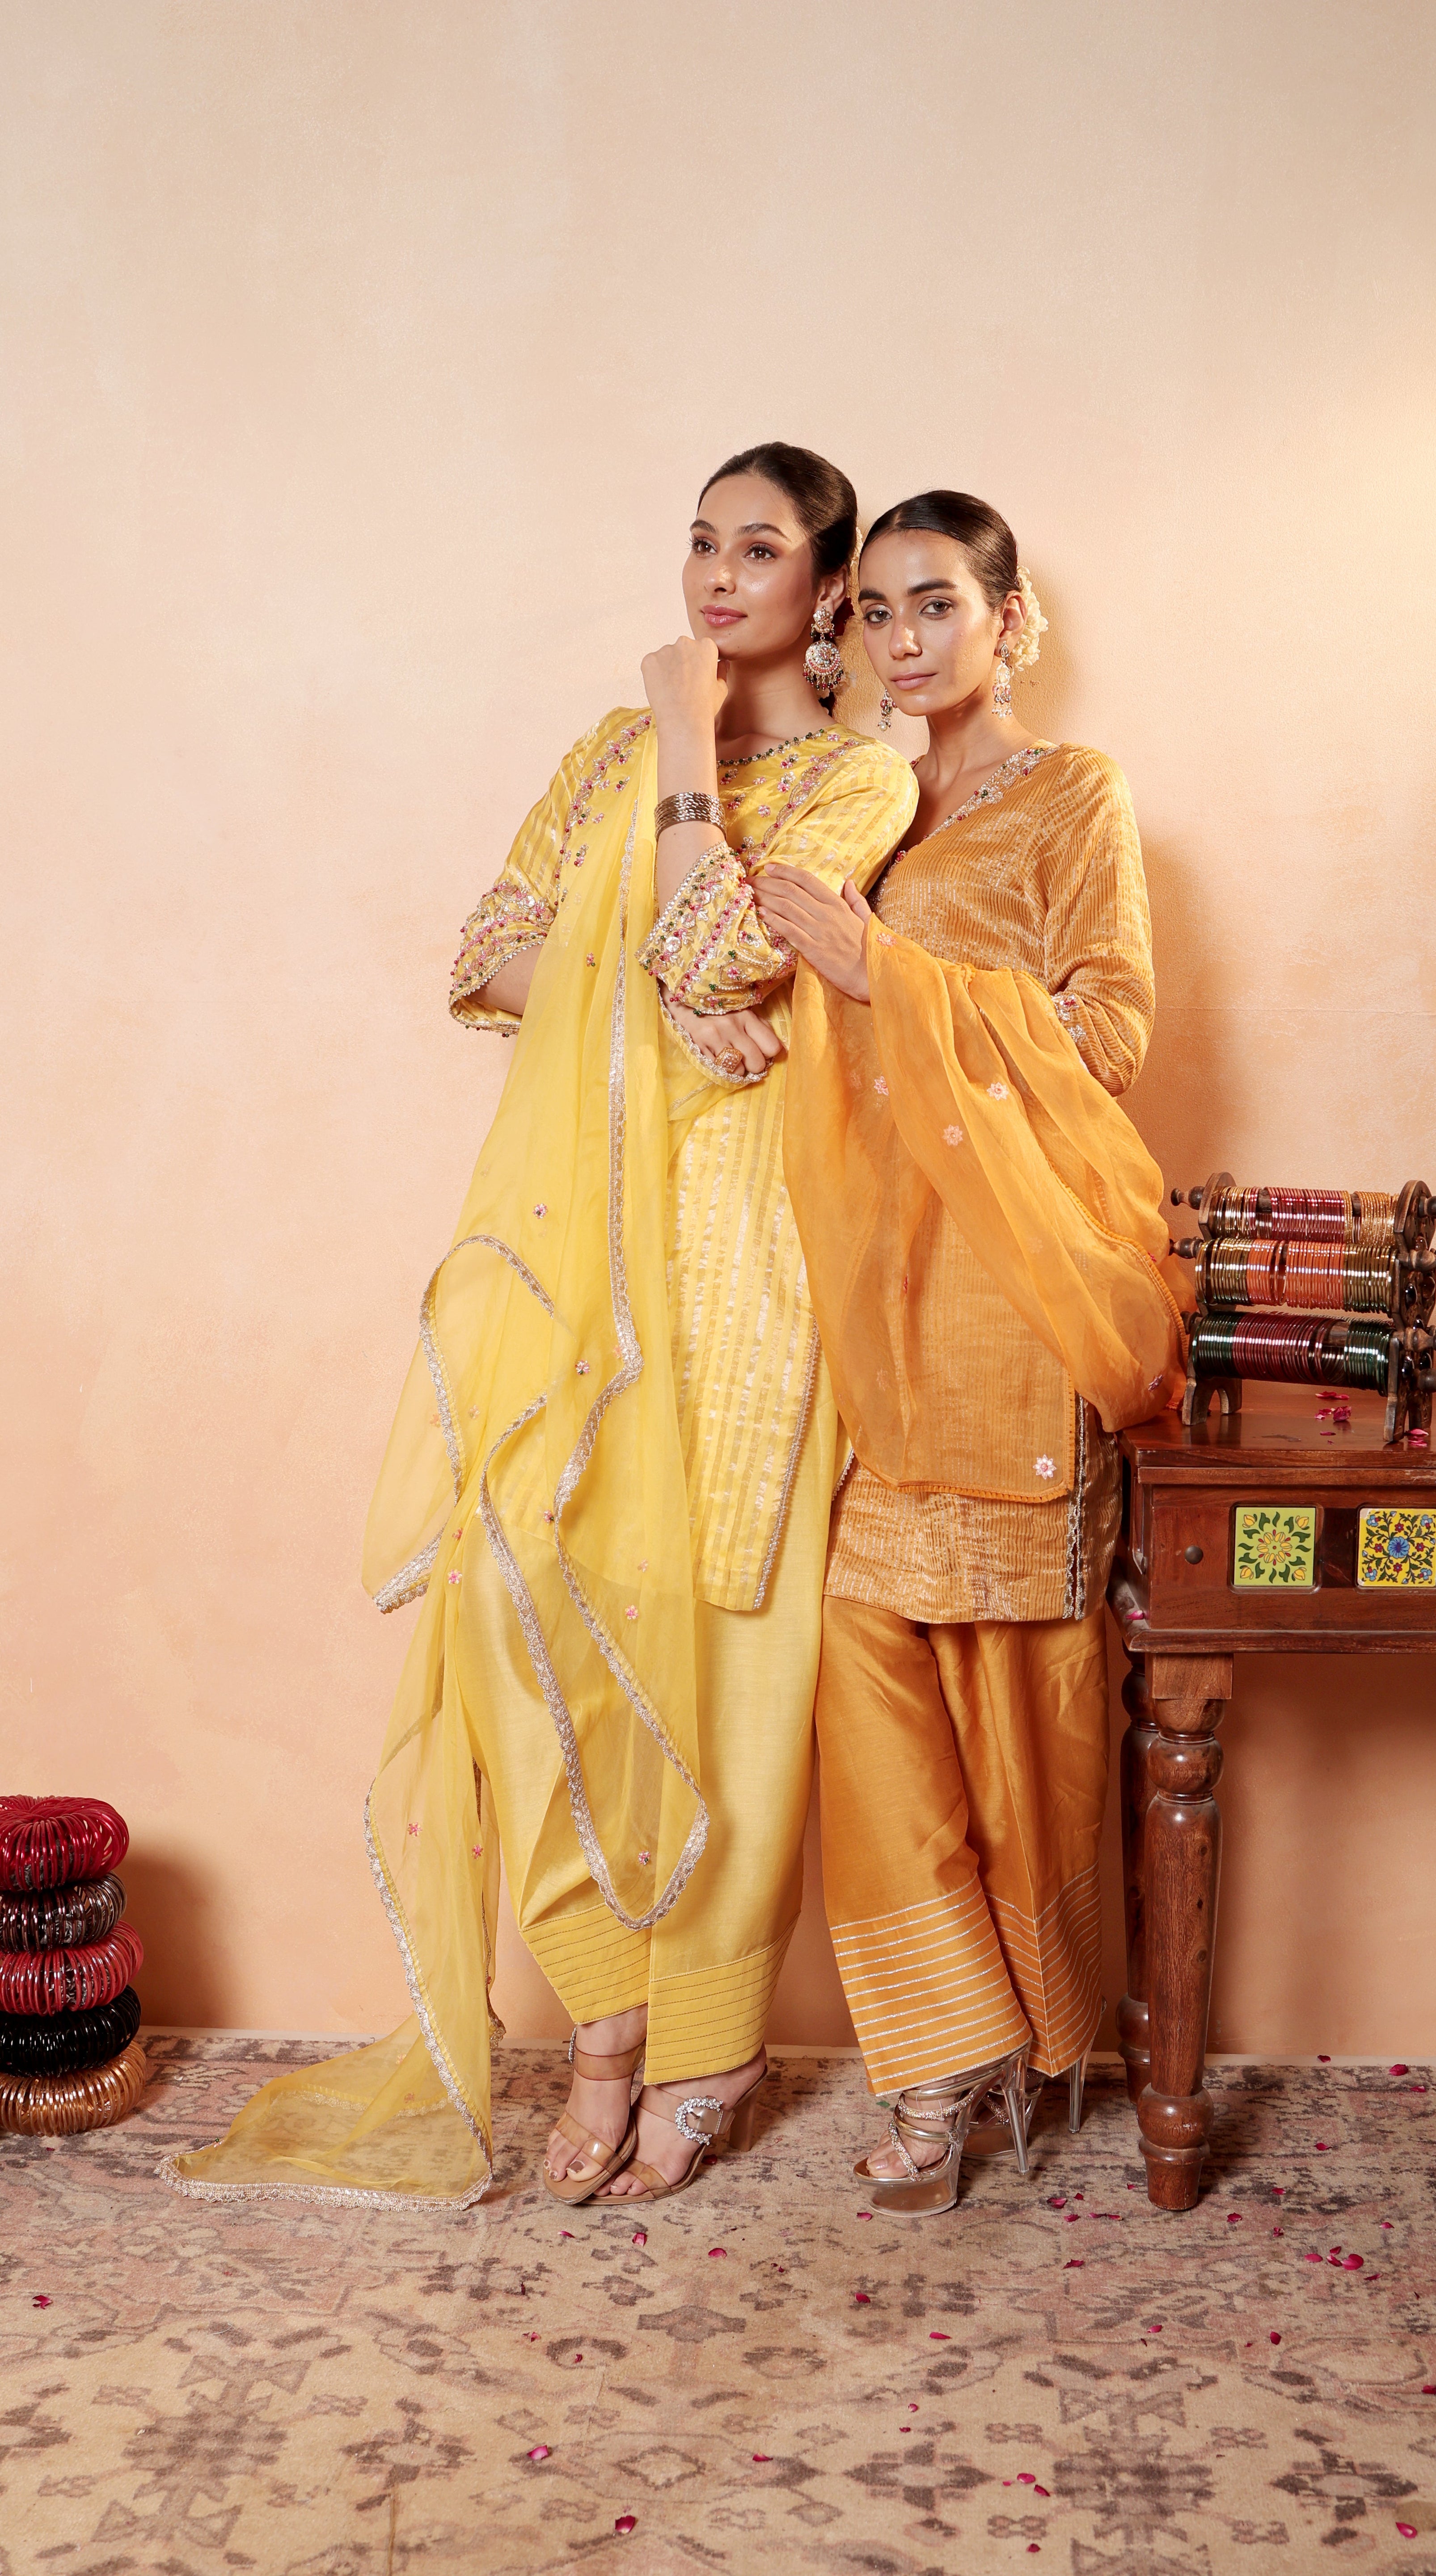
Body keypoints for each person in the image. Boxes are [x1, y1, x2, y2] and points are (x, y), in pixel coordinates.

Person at [165, 445, 915, 2212]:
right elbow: (482, 954)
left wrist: (677, 777)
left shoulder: (857, 772)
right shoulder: (596, 754)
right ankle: (598, 2025)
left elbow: (723, 948)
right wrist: (653, 976)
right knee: (524, 1601)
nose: (717, 579)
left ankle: (707, 2044)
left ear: (826, 594)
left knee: (718, 1640)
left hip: (744, 1255)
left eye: (761, 551)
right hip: (570, 1248)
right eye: (699, 542)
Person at [759, 491, 1186, 2213]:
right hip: (859, 1291)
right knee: (868, 1678)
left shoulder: (1074, 795)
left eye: (938, 604)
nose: (903, 638)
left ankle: (1031, 2040)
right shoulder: (839, 806)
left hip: (1019, 1289)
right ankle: (934, 2067)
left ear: (1013, 624)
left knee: (1024, 1682)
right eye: (872, 611)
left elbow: (1109, 1031)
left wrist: (893, 973)